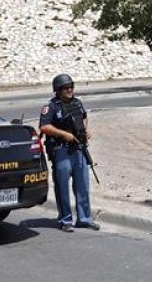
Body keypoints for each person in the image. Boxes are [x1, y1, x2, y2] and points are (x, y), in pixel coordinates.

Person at [39, 73, 100, 232]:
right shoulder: (51, 106)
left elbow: (84, 117)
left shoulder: (77, 103)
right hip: (62, 150)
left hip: (79, 149)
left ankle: (84, 219)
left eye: (71, 86)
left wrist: (86, 130)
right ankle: (65, 219)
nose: (69, 90)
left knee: (83, 186)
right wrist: (64, 134)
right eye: (66, 88)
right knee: (62, 187)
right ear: (58, 90)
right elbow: (44, 127)